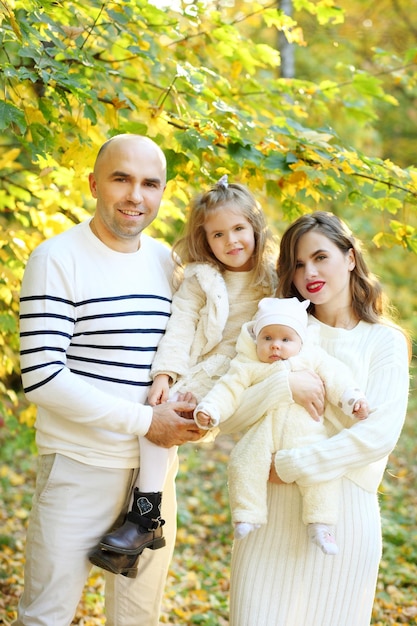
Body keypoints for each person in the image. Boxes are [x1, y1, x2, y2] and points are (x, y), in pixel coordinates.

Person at [15, 134, 205, 626]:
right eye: (121, 178)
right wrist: (146, 422)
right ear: (94, 183)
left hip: (155, 476)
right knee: (46, 615)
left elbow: (187, 353)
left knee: (138, 619)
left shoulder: (169, 264)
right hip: (79, 470)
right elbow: (42, 376)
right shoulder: (56, 259)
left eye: (149, 183)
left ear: (163, 193)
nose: (135, 195)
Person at [224, 211, 410, 626]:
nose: (309, 272)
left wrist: (290, 465)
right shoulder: (274, 331)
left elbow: (378, 434)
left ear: (349, 257)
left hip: (345, 516)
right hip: (268, 516)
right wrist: (285, 387)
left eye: (321, 257)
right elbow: (232, 414)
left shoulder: (384, 341)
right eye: (298, 263)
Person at [88, 175, 279, 571]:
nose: (232, 241)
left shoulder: (272, 279)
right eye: (218, 235)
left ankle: (143, 517)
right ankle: (146, 516)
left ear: (256, 228)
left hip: (247, 368)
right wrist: (165, 376)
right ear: (205, 241)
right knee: (160, 411)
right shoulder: (200, 278)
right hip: (201, 367)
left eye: (240, 229)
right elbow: (180, 326)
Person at [194, 296, 369, 555]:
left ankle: (321, 523)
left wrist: (352, 399)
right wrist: (210, 409)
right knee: (243, 461)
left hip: (306, 429)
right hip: (263, 431)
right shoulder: (248, 365)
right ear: (257, 340)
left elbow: (336, 377)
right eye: (268, 338)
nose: (276, 346)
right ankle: (247, 513)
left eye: (285, 340)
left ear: (300, 341)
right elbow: (228, 389)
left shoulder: (312, 358)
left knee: (321, 475)